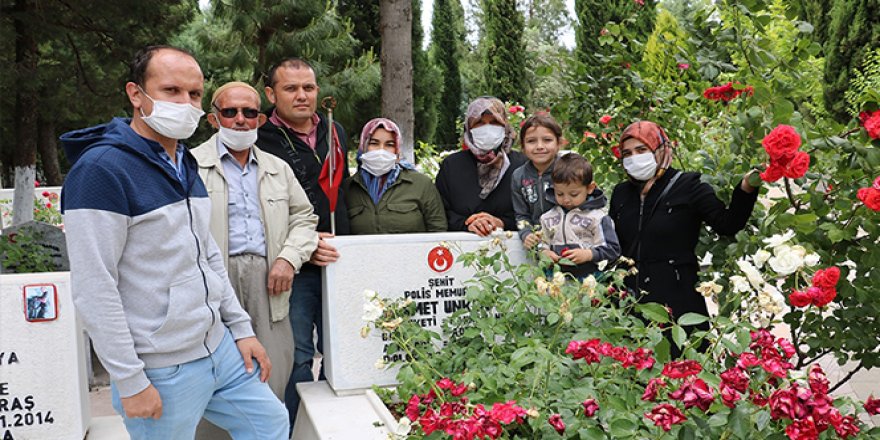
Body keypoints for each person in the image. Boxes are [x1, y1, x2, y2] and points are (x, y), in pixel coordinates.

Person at [61, 46, 288, 439]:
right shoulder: (100, 171)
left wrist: (241, 330)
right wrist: (131, 381)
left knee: (270, 422)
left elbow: (207, 254)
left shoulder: (184, 162)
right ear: (136, 94)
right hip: (162, 367)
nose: (186, 104)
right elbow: (94, 287)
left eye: (195, 94)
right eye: (171, 91)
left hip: (219, 349)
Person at [191, 81, 320, 438]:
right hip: (214, 280)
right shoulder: (190, 165)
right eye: (230, 112)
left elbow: (305, 218)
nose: (240, 120)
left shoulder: (278, 168)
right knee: (211, 372)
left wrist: (288, 260)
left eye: (249, 113)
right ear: (214, 119)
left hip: (270, 279)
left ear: (261, 119)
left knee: (271, 369)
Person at [255, 57, 348, 429]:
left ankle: (333, 427)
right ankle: (293, 429)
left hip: (337, 259)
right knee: (296, 355)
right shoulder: (259, 137)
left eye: (308, 87)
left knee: (341, 349)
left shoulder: (333, 128)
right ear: (271, 93)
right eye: (290, 88)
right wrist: (304, 243)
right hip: (291, 266)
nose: (301, 95)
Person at [609, 121, 759, 340]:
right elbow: (612, 242)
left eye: (642, 150)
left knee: (684, 363)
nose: (634, 158)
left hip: (677, 296)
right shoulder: (622, 193)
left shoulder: (689, 185)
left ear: (661, 149)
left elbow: (727, 224)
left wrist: (746, 187)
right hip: (630, 298)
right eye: (627, 153)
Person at [435, 96, 526, 236]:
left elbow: (532, 213)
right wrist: (469, 224)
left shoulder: (521, 165)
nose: (487, 128)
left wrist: (500, 222)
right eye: (479, 123)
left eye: (495, 122)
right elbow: (441, 212)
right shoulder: (452, 166)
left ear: (505, 126)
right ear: (469, 128)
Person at [343, 118, 447, 234]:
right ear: (363, 147)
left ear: (397, 150)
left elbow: (438, 230)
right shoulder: (348, 187)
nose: (381, 150)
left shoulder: (421, 184)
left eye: (389, 144)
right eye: (374, 143)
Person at [538, 153, 621, 279]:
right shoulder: (547, 218)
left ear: (590, 188)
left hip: (587, 279)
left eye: (574, 194)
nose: (566, 200)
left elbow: (613, 249)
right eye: (559, 194)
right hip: (555, 278)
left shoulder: (598, 217)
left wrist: (589, 254)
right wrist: (544, 252)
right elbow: (541, 244)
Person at [512, 113, 563, 248]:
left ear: (559, 143)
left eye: (547, 140)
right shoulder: (518, 176)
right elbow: (521, 214)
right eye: (531, 141)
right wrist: (526, 233)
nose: (540, 146)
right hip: (538, 242)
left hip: (568, 239)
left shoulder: (568, 170)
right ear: (522, 146)